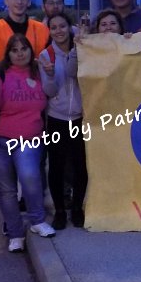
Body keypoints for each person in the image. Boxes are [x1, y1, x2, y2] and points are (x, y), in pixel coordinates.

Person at [0, 34, 56, 253]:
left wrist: (50, 75)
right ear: (8, 54)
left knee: (30, 178)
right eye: (14, 50)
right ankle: (15, 233)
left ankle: (37, 221)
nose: (20, 53)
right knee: (6, 190)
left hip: (30, 138)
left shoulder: (39, 71)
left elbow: (51, 94)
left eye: (23, 48)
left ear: (30, 51)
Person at [40, 13, 88, 230]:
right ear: (49, 31)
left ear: (70, 27)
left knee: (80, 166)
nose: (58, 31)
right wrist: (49, 75)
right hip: (56, 118)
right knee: (56, 167)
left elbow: (73, 72)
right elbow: (49, 92)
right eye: (54, 27)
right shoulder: (46, 55)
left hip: (79, 118)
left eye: (62, 26)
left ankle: (77, 208)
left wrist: (77, 49)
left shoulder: (84, 48)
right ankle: (59, 211)